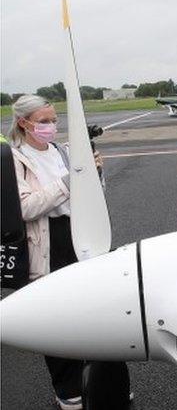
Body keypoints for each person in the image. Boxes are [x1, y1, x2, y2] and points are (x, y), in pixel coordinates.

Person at [6, 94, 104, 410]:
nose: (51, 126)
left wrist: (94, 175)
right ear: (24, 122)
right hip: (48, 243)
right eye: (44, 121)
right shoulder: (14, 159)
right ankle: (67, 389)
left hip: (80, 237)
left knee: (90, 313)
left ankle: (99, 381)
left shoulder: (62, 151)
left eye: (53, 119)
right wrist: (68, 181)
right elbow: (24, 207)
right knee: (56, 317)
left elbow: (89, 197)